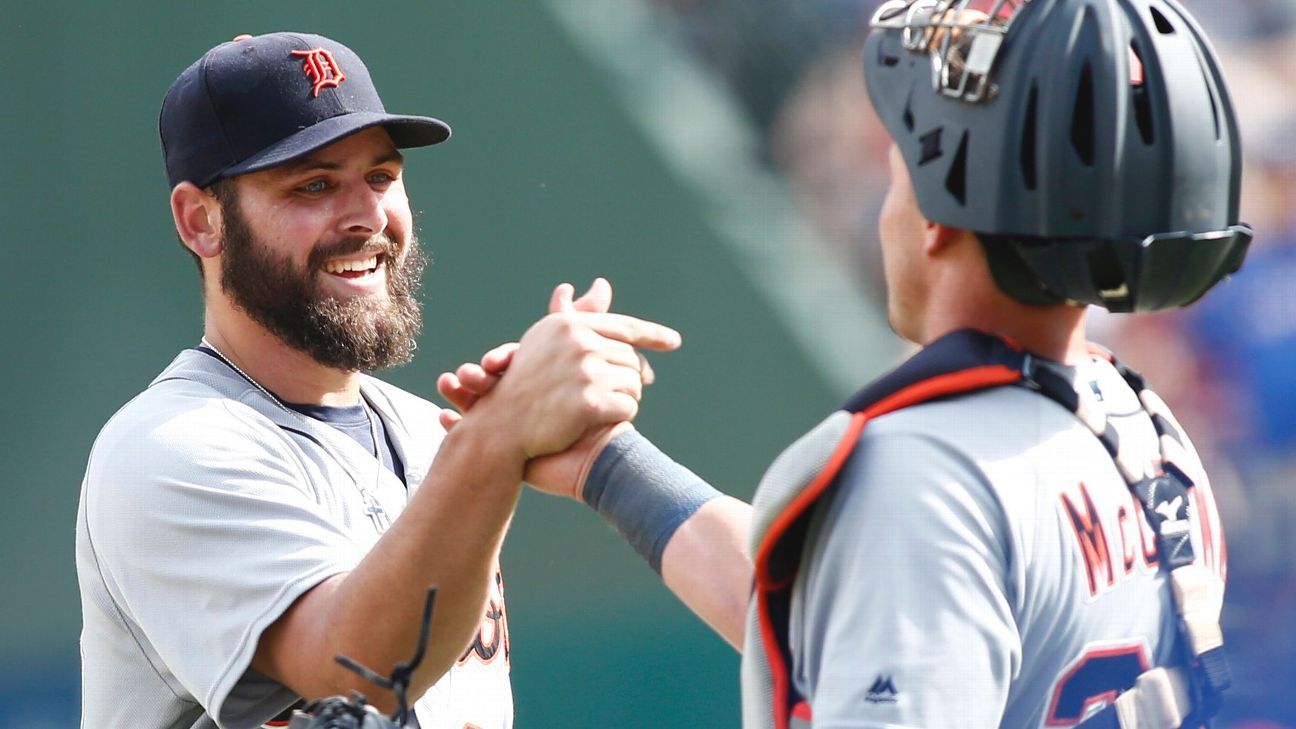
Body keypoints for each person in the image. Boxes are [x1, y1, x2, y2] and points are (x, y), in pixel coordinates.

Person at [439, 0, 1252, 726]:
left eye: (899, 173)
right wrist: (604, 465)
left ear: (937, 217)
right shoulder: (1136, 419)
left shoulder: (924, 473)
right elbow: (843, 630)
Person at [74, 31, 680, 729]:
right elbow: (359, 666)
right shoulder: (165, 449)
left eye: (382, 176)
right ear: (200, 220)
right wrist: (494, 443)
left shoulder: (430, 430)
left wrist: (590, 455)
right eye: (314, 184)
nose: (366, 215)